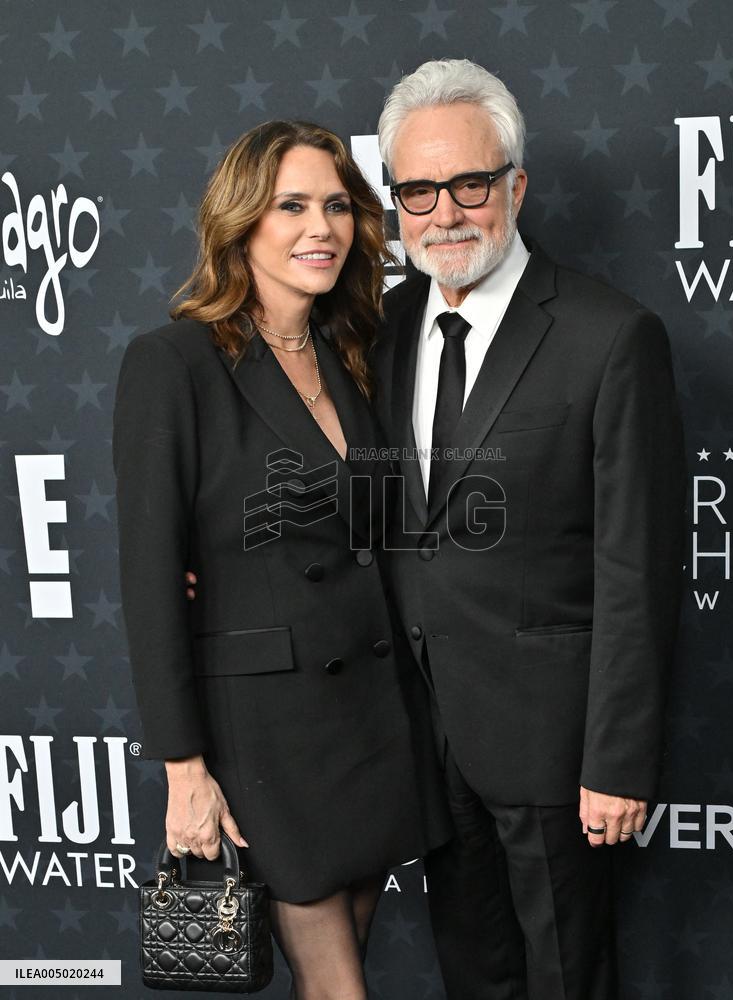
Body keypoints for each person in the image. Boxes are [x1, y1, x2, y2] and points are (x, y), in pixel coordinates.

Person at [112, 120, 449, 1000]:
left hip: (374, 716)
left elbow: (380, 533)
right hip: (266, 729)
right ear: (240, 222)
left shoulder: (356, 353)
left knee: (346, 966)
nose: (322, 228)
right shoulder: (174, 362)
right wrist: (185, 771)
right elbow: (151, 583)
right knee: (337, 986)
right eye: (291, 205)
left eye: (338, 205)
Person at [372, 59, 686, 1000]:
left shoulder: (609, 335)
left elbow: (637, 568)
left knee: (566, 979)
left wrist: (616, 762)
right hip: (424, 739)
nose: (444, 213)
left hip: (556, 751)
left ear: (516, 184)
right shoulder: (379, 329)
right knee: (472, 974)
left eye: (469, 184)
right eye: (416, 191)